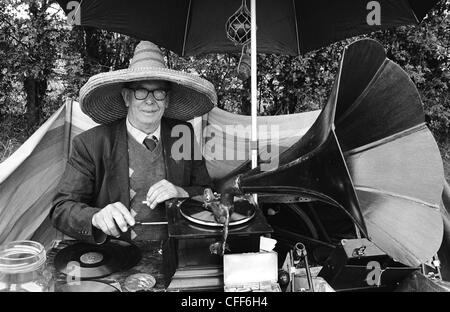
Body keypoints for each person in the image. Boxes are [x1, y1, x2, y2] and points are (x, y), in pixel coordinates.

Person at [50, 41, 216, 244]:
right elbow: (62, 209)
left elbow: (207, 193)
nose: (150, 100)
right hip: (116, 256)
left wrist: (181, 192)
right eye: (141, 91)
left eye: (159, 92)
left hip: (178, 250)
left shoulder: (183, 135)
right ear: (126, 97)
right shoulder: (91, 144)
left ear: (167, 100)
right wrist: (95, 217)